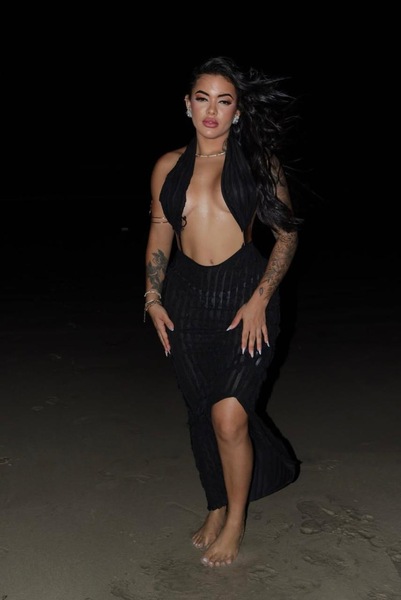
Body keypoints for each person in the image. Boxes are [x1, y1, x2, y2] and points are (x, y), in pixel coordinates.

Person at [144, 56, 302, 568]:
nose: (212, 110)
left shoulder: (259, 163)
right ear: (187, 105)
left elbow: (286, 236)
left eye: (224, 100)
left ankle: (235, 519)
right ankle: (215, 504)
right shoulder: (168, 166)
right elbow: (161, 233)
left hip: (246, 298)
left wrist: (260, 298)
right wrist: (152, 297)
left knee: (229, 416)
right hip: (186, 302)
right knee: (200, 413)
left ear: (238, 112)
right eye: (203, 98)